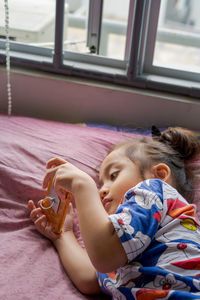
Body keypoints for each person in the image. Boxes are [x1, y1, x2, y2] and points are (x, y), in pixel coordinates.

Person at [28, 126, 200, 299]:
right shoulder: (122, 248)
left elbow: (104, 257)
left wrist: (82, 185)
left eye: (113, 175)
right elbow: (91, 278)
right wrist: (63, 235)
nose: (102, 190)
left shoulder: (155, 190)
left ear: (159, 174)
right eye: (99, 184)